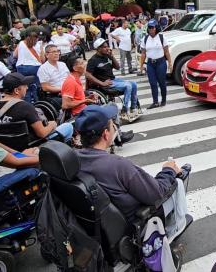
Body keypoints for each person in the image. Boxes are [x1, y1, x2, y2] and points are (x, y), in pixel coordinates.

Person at [74, 105, 188, 233]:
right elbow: (156, 194)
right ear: (106, 134)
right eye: (112, 125)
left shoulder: (73, 160)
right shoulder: (118, 165)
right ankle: (174, 229)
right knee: (176, 182)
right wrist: (169, 170)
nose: (115, 128)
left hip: (97, 223)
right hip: (134, 223)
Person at [0, 72, 74, 144]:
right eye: (24, 86)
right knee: (68, 126)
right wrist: (52, 124)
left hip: (4, 146)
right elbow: (42, 133)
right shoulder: (25, 106)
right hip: (30, 146)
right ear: (17, 90)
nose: (27, 88)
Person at [86, 38, 140, 121]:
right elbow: (88, 75)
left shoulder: (107, 56)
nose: (107, 48)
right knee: (128, 86)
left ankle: (133, 107)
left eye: (107, 46)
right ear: (98, 48)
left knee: (134, 84)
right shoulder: (93, 60)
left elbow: (118, 67)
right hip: (105, 84)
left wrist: (112, 56)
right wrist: (102, 83)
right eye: (104, 47)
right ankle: (124, 111)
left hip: (113, 80)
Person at [139, 20, 172, 109]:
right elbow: (143, 54)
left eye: (152, 27)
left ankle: (163, 100)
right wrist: (141, 66)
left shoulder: (161, 37)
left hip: (161, 63)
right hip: (150, 64)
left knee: (162, 83)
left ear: (156, 28)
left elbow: (167, 52)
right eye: (149, 27)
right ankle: (155, 102)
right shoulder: (145, 39)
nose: (150, 29)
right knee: (153, 83)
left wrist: (170, 63)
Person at [14, 27, 44, 103]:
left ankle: (27, 105)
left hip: (21, 68)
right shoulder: (39, 44)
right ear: (37, 37)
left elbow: (14, 55)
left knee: (25, 88)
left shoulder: (21, 43)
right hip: (35, 68)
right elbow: (42, 59)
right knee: (36, 88)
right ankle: (38, 105)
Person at [38, 44, 70, 110]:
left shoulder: (62, 64)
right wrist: (62, 90)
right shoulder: (43, 68)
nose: (56, 54)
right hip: (55, 94)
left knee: (87, 94)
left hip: (68, 91)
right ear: (47, 55)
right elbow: (45, 87)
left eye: (57, 51)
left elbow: (69, 78)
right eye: (53, 52)